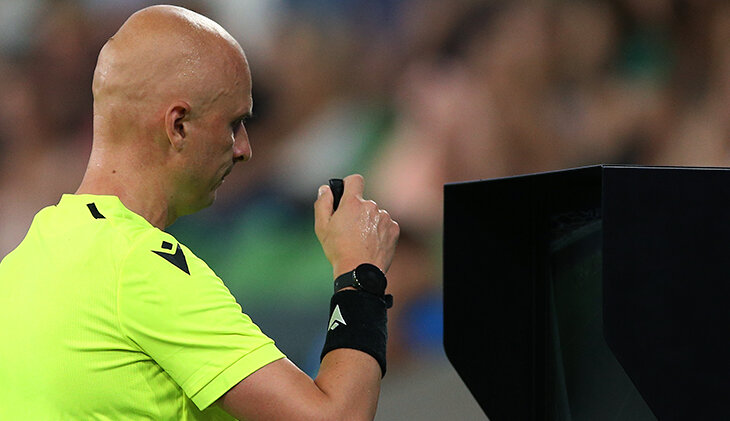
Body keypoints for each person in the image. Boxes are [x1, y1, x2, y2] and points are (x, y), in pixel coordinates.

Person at [0, 5, 399, 421]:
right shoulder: (142, 267)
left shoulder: (19, 266)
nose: (244, 149)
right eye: (233, 124)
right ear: (178, 125)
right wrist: (360, 273)